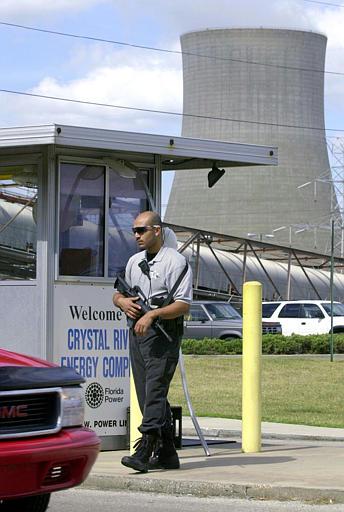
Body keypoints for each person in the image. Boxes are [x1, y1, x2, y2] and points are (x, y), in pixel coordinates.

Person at [113, 211, 192, 473]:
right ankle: (168, 453)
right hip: (138, 333)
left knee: (155, 391)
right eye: (134, 230)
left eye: (141, 230)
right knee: (147, 394)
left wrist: (154, 313)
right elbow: (118, 293)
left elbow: (183, 304)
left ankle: (145, 449)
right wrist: (122, 302)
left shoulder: (176, 261)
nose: (136, 235)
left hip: (163, 334)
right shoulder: (134, 262)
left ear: (157, 231)